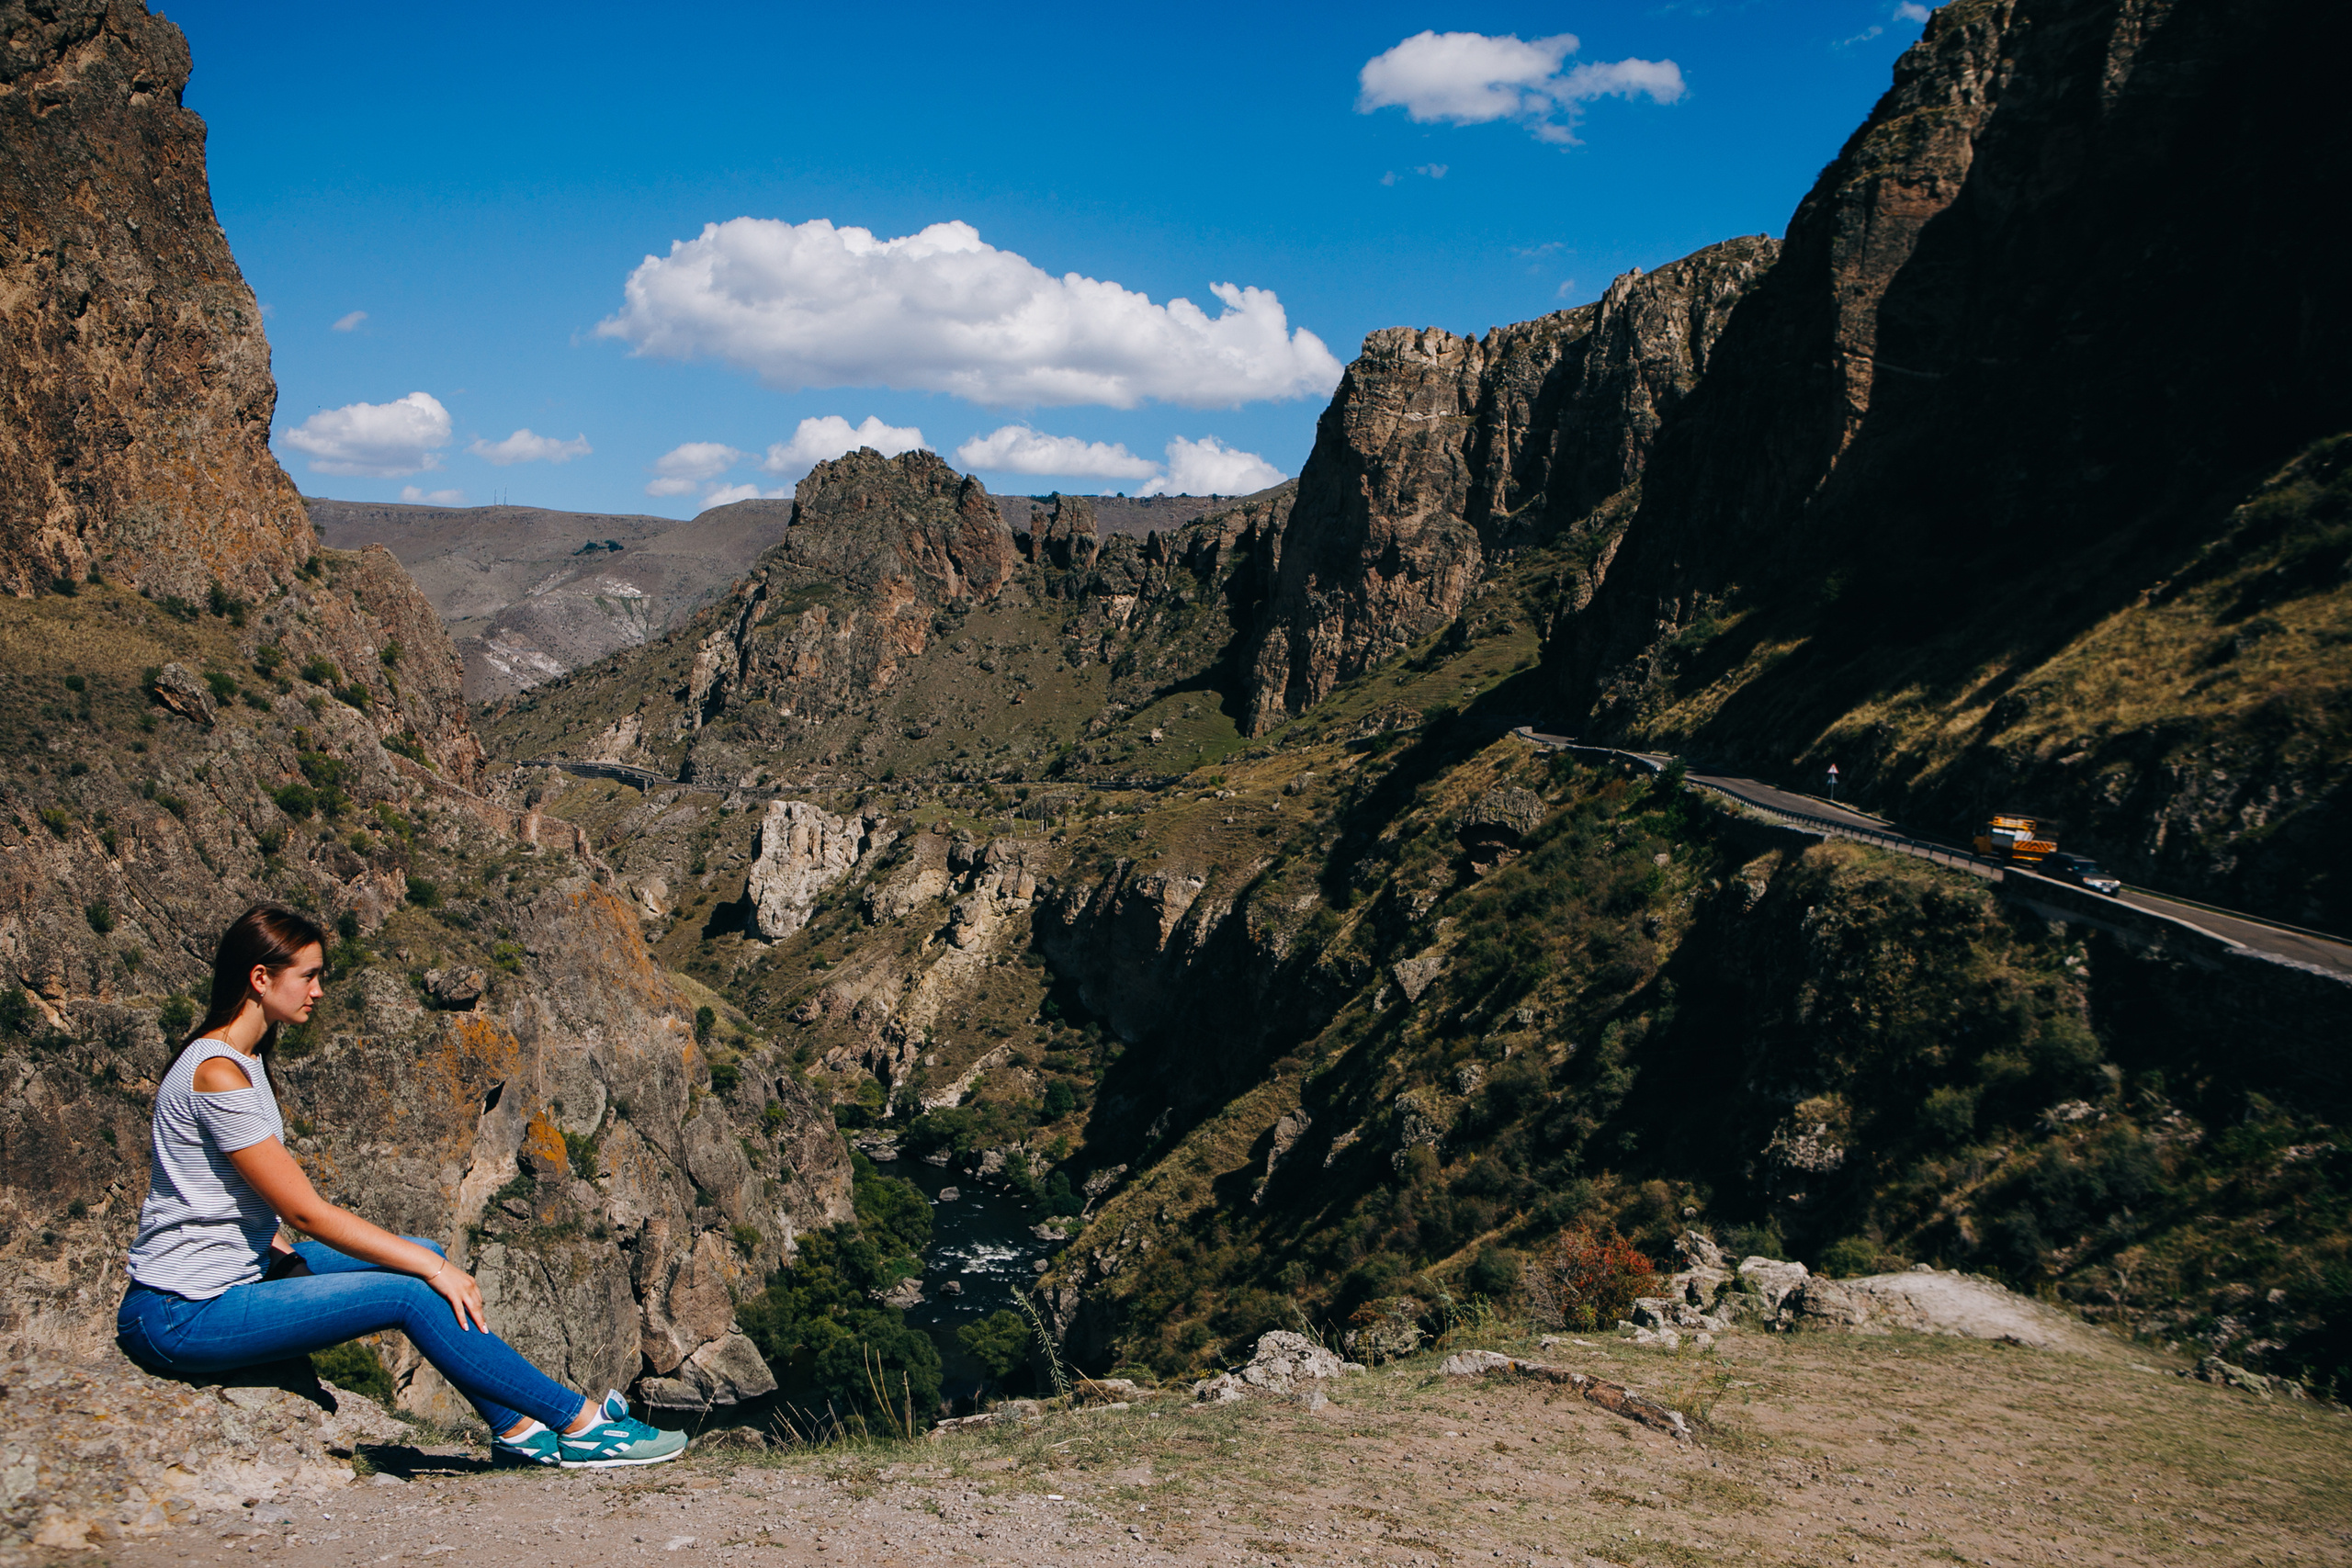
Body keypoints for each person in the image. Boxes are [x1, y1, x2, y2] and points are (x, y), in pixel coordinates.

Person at [115, 904, 686, 1470]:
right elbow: (305, 1212)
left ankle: (512, 1426)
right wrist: (431, 1271)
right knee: (413, 1287)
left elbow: (210, 1193)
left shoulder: (245, 1061)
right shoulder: (216, 1073)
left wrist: (294, 1254)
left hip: (235, 1274)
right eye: (308, 976)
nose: (318, 991)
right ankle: (581, 1424)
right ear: (260, 979)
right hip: (179, 1312)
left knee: (427, 1256)